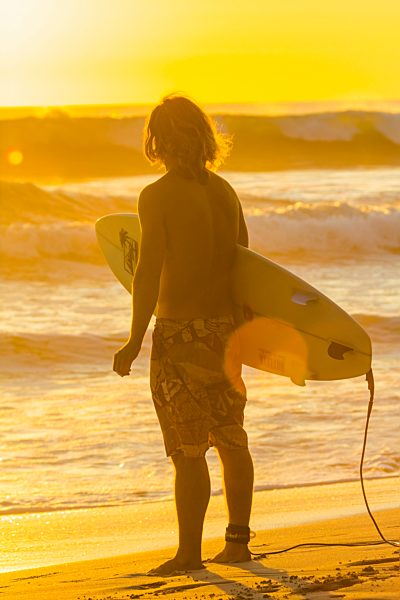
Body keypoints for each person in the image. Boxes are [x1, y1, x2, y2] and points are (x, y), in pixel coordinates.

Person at [113, 94, 254, 576]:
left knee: (188, 451)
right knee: (233, 439)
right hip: (225, 333)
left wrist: (134, 340)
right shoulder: (225, 192)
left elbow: (147, 272)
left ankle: (189, 553)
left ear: (157, 140)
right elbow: (247, 268)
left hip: (180, 338)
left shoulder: (157, 196)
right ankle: (238, 542)